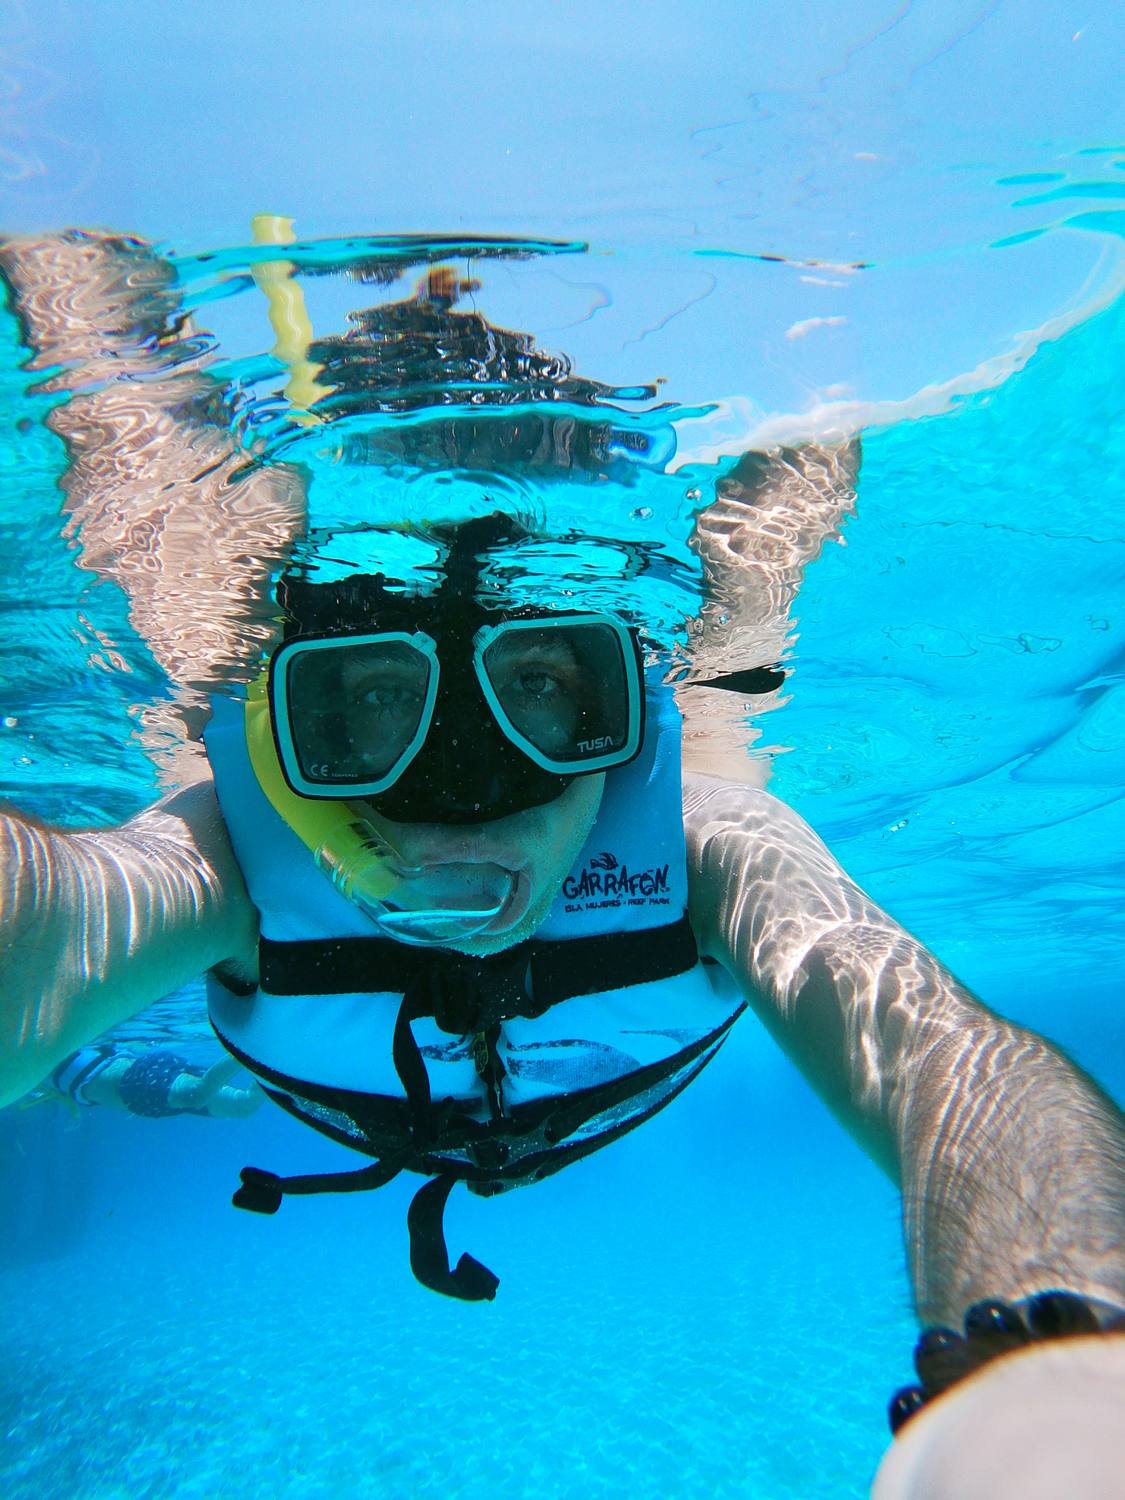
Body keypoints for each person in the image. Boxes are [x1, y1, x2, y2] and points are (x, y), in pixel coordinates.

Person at [1, 227, 1123, 1492]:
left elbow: (941, 1062)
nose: (461, 805)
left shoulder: (709, 842)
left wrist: (1056, 1367)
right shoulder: (220, 853)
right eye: (366, 708)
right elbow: (45, 927)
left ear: (622, 713)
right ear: (284, 725)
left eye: (544, 691)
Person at [32, 1043, 262, 1120]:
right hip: (142, 1077)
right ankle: (283, 1072)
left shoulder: (31, 1057)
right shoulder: (38, 1067)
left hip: (136, 1085)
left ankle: (254, 1047)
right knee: (243, 1105)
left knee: (197, 1094)